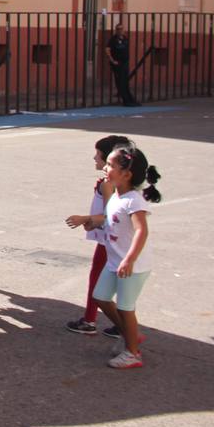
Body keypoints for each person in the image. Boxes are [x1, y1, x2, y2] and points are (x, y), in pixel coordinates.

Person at [83, 144, 161, 369]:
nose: (105, 168)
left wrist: (130, 259)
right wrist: (90, 222)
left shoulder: (134, 200)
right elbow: (111, 221)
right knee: (100, 297)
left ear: (127, 174)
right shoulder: (116, 196)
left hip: (132, 266)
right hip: (114, 262)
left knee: (126, 308)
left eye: (110, 165)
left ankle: (133, 353)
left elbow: (141, 230)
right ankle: (129, 335)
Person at [63, 134, 131, 336]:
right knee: (113, 284)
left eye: (99, 155)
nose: (95, 158)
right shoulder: (117, 182)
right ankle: (117, 324)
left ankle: (92, 320)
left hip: (110, 241)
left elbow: (111, 214)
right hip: (113, 238)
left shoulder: (107, 184)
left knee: (98, 280)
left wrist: (86, 219)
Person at [104, 23, 139, 107]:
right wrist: (112, 61)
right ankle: (126, 100)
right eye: (118, 29)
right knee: (120, 82)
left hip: (125, 63)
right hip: (117, 63)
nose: (120, 31)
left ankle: (130, 99)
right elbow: (107, 50)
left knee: (125, 82)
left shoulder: (125, 39)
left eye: (121, 29)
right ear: (116, 30)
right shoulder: (113, 39)